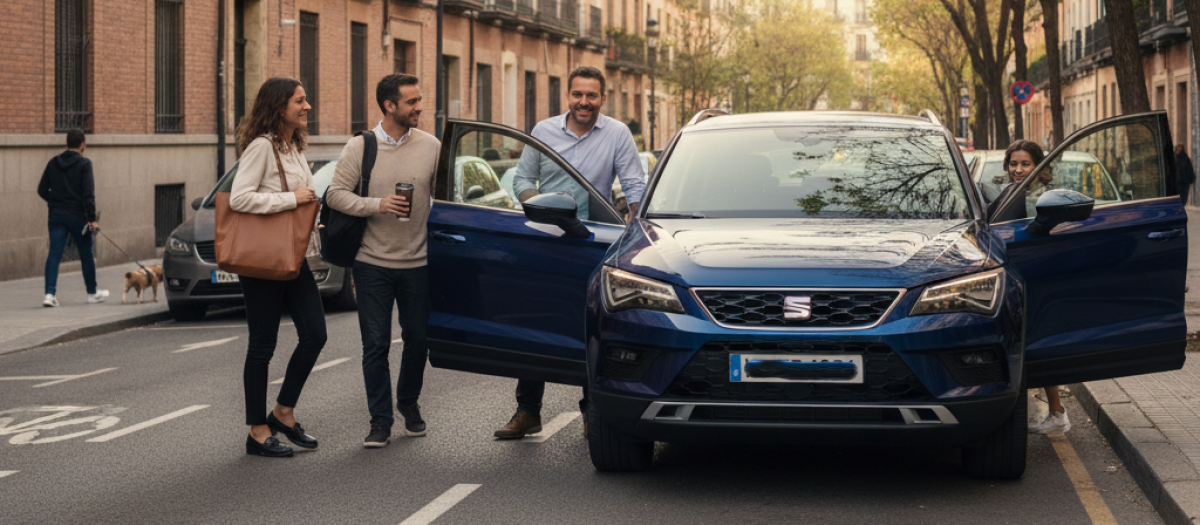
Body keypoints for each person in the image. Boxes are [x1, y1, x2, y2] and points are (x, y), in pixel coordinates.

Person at [497, 65, 645, 439]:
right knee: (534, 324)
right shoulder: (544, 131)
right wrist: (539, 206)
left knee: (590, 328)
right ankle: (528, 411)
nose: (584, 102)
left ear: (602, 98)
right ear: (568, 96)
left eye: (591, 95)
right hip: (543, 242)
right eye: (578, 94)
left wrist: (636, 236)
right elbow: (522, 180)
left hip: (591, 243)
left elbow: (634, 189)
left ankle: (591, 413)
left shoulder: (617, 134)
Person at [325, 74, 440, 448]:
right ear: (390, 106)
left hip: (418, 261)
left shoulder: (432, 146)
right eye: (411, 102)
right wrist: (378, 205)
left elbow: (445, 200)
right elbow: (335, 196)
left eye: (419, 99)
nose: (419, 107)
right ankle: (380, 421)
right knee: (375, 344)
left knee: (418, 339)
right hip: (371, 262)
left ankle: (408, 401)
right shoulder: (361, 147)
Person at [231, 77, 327, 457]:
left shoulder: (293, 146)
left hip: (292, 255)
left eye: (306, 100)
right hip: (262, 261)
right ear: (279, 107)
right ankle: (257, 430)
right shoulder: (261, 147)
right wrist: (291, 199)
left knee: (315, 335)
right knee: (262, 346)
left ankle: (283, 412)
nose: (307, 107)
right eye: (299, 101)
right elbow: (239, 198)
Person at [988, 140, 1071, 435]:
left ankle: (1057, 413)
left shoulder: (1040, 195)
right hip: (1011, 279)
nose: (1018, 169)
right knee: (1026, 346)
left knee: (1037, 344)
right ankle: (1051, 412)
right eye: (1013, 164)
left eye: (1025, 164)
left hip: (1034, 277)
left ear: (1038, 166)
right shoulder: (1011, 190)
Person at [38, 129, 108, 307]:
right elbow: (88, 194)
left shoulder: (53, 162)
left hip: (57, 215)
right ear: (83, 144)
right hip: (79, 217)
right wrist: (92, 219)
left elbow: (41, 189)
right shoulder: (85, 164)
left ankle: (49, 294)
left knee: (54, 253)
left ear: (67, 143)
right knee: (86, 254)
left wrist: (55, 201)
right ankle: (92, 293)